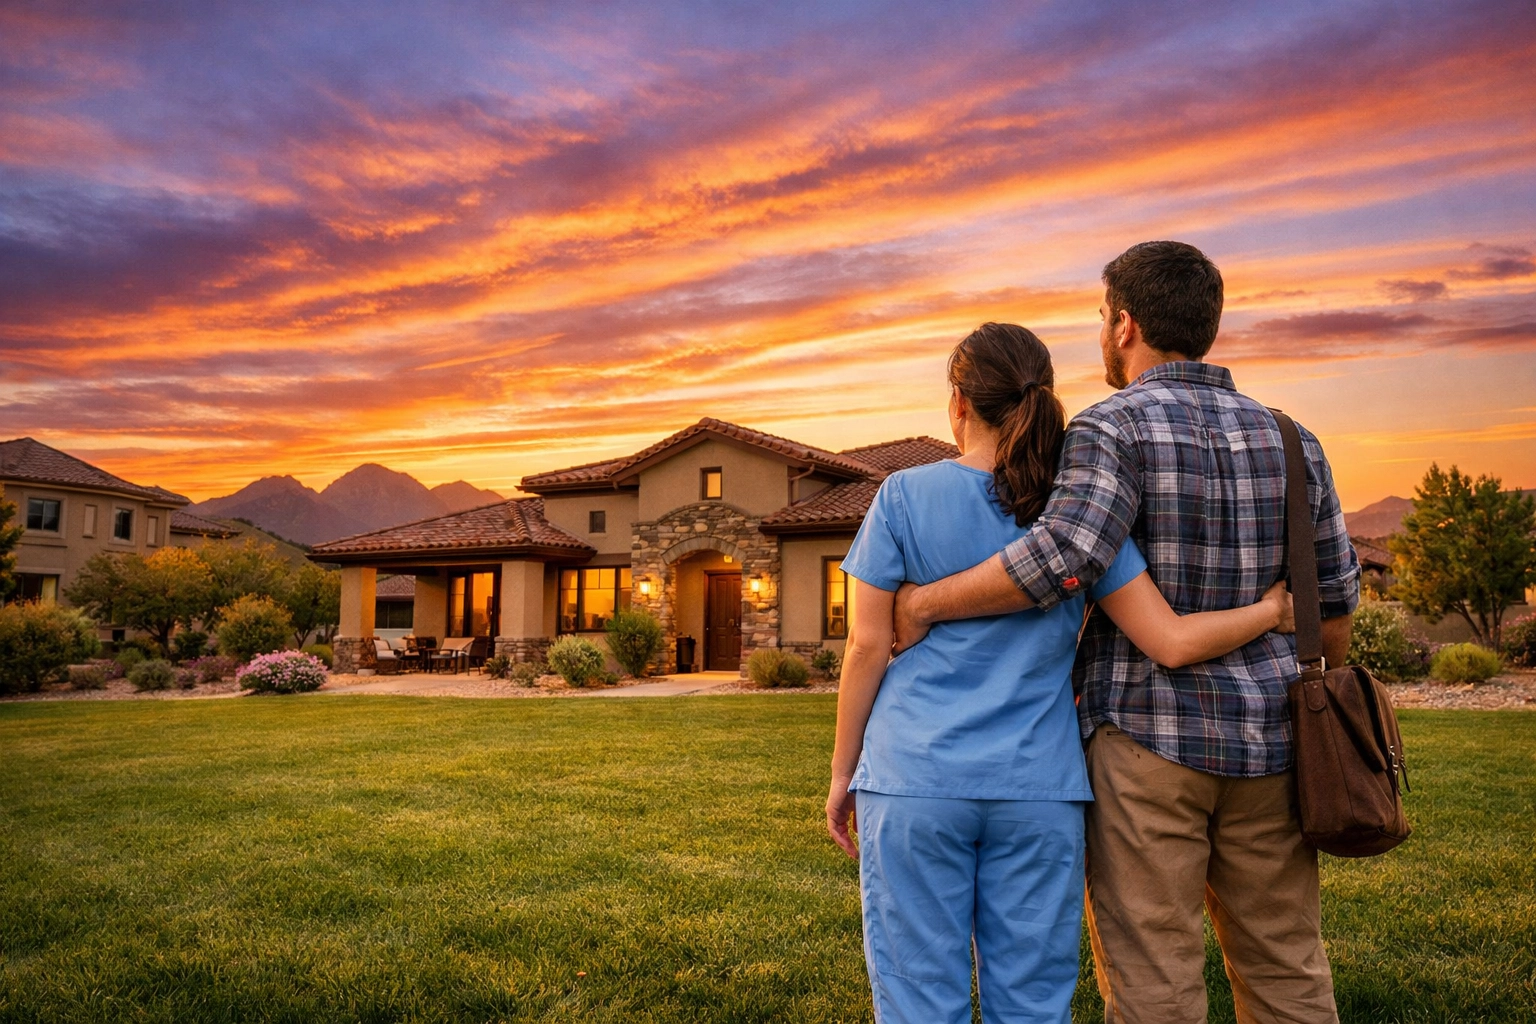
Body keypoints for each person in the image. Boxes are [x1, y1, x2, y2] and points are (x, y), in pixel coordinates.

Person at [893, 243, 1360, 1023]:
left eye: (1102, 318)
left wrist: (925, 604)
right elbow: (1334, 604)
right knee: (1287, 968)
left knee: (1154, 982)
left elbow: (1061, 558)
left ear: (1124, 324)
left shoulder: (1110, 429)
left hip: (1147, 744)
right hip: (1276, 748)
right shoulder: (1293, 438)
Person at [825, 322, 1297, 1024]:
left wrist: (843, 774)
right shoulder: (1076, 511)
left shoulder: (901, 496)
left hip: (915, 778)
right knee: (1034, 1005)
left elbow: (867, 648)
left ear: (958, 402)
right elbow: (1168, 639)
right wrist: (1269, 611)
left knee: (921, 998)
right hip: (1039, 789)